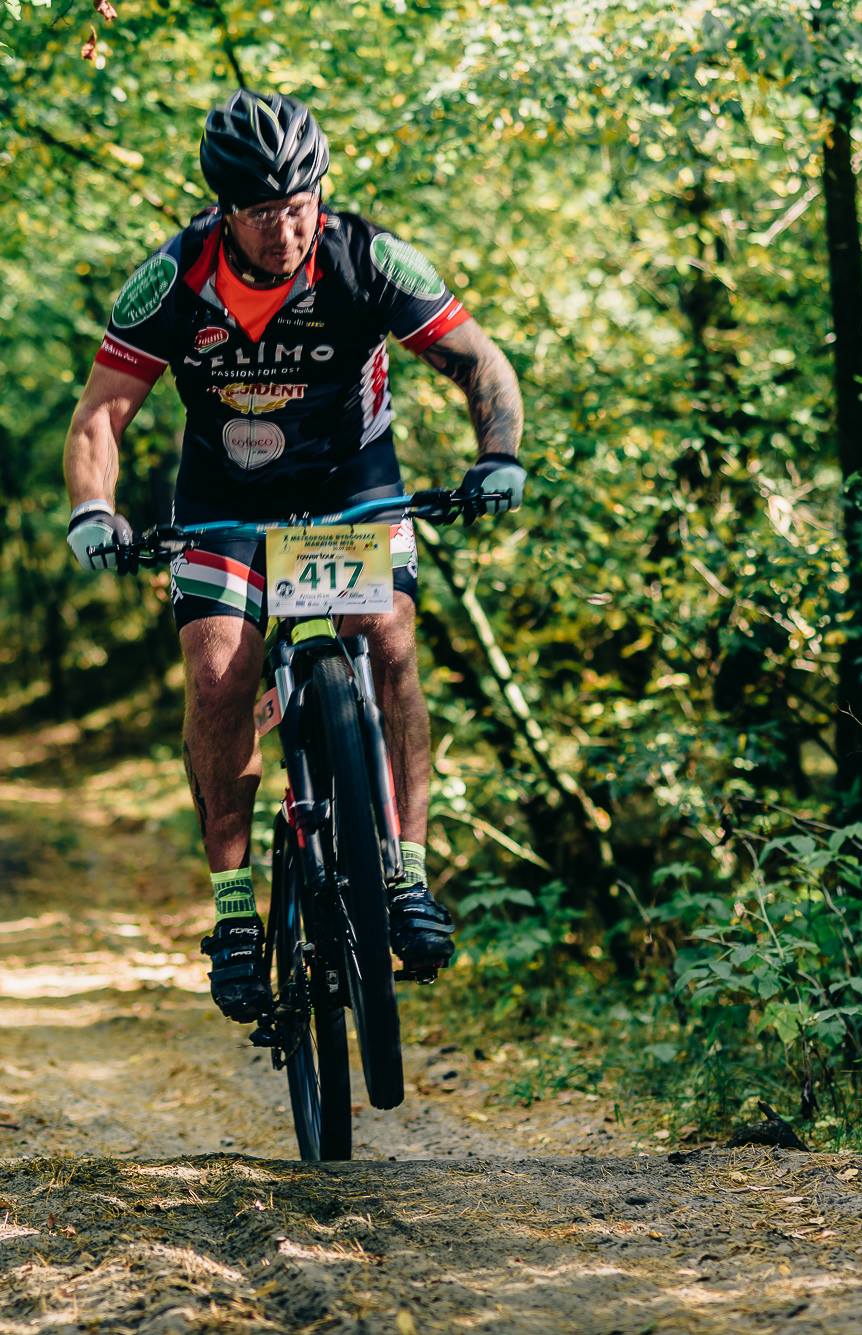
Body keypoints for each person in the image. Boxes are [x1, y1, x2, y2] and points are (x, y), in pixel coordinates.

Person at [61, 91, 526, 1023]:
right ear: (225, 209)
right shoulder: (173, 280)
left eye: (301, 205)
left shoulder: (366, 259)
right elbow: (102, 413)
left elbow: (480, 361)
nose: (287, 229)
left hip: (354, 485)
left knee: (388, 641)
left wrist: (498, 455)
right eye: (265, 212)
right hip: (225, 499)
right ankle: (236, 912)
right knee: (217, 674)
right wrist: (93, 510)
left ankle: (407, 875)